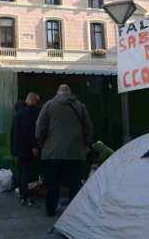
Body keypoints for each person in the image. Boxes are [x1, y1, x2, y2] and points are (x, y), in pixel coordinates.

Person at [36, 84, 93, 217]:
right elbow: (88, 128)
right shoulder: (80, 106)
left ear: (58, 92)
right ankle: (74, 212)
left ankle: (50, 209)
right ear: (69, 92)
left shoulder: (48, 105)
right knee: (74, 182)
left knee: (53, 181)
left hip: (53, 151)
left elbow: (40, 128)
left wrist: (42, 144)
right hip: (75, 151)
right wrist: (86, 144)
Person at [11, 92, 40, 208]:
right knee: (25, 174)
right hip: (25, 148)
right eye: (37, 101)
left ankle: (22, 194)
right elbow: (28, 131)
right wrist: (33, 147)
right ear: (32, 99)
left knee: (21, 171)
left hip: (18, 148)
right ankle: (26, 198)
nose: (37, 104)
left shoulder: (19, 111)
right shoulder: (27, 112)